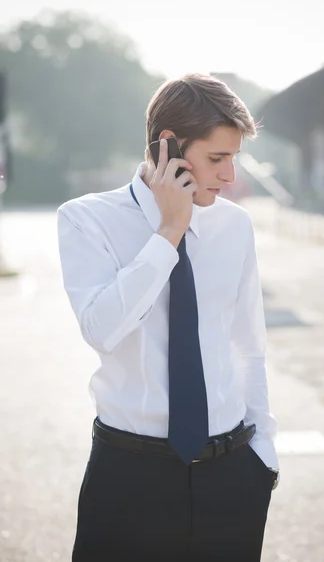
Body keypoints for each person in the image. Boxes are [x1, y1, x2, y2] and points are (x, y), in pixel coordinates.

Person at [57, 73, 280, 562]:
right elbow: (101, 328)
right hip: (129, 477)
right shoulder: (87, 219)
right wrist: (169, 231)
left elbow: (248, 344)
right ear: (169, 148)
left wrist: (263, 458)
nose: (229, 177)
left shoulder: (234, 226)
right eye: (217, 159)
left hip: (232, 476)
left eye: (233, 159)